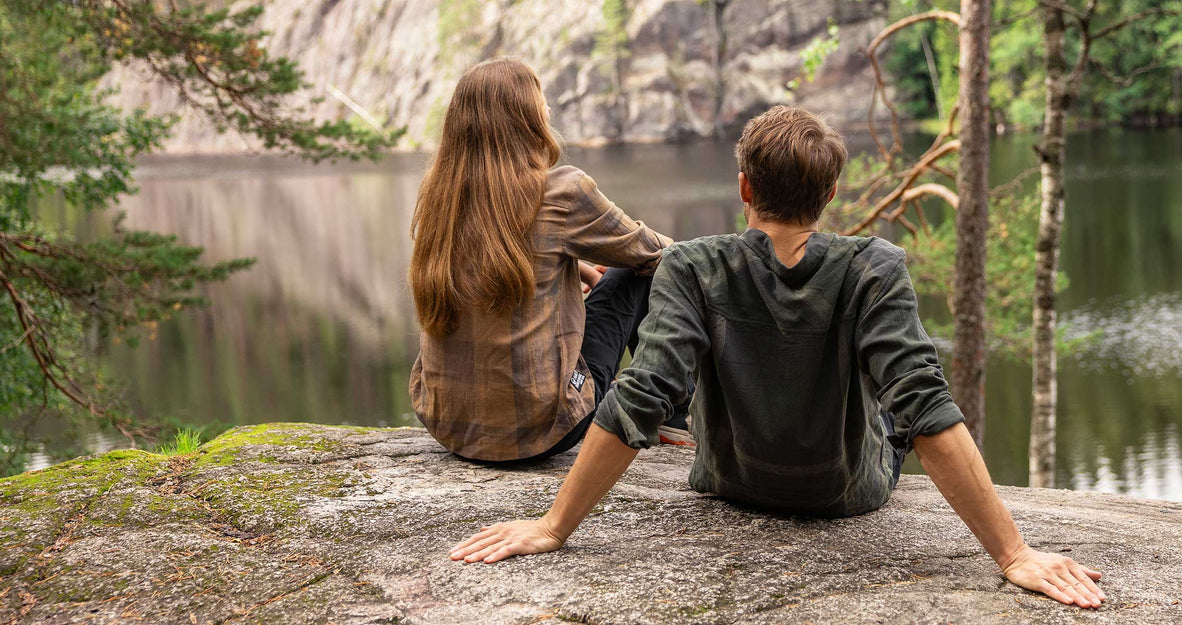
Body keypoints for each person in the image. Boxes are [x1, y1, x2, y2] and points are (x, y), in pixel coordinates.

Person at [448, 106, 1107, 608]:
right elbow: (927, 408)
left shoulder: (690, 264)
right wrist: (1013, 553)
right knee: (898, 404)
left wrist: (553, 526)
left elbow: (642, 394)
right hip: (847, 493)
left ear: (744, 187)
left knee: (680, 377)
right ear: (827, 196)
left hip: (730, 480)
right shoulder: (873, 266)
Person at [407, 57, 691, 464]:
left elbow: (502, 259)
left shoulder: (441, 196)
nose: (549, 110)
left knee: (619, 272)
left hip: (448, 425)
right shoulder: (562, 191)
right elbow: (660, 253)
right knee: (640, 274)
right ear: (523, 117)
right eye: (541, 100)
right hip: (545, 426)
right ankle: (674, 415)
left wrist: (582, 267)